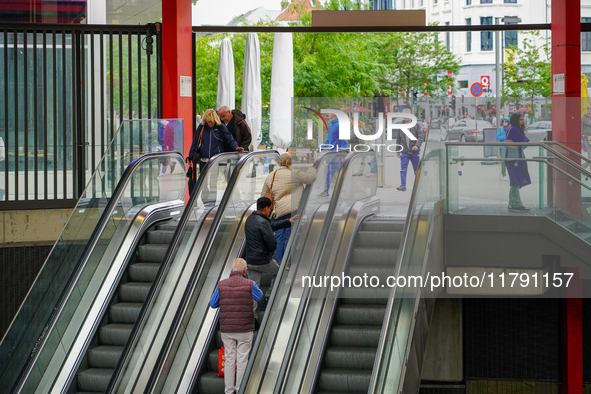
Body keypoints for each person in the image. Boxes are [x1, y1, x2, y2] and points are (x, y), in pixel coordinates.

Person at [209, 258, 263, 394]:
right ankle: (240, 390)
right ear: (245, 270)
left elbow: (213, 304)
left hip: (227, 329)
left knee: (229, 359)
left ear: (232, 269)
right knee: (242, 360)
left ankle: (228, 391)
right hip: (245, 329)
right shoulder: (250, 284)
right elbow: (260, 296)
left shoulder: (221, 285)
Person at [261, 153, 317, 264]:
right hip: (292, 211)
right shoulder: (295, 174)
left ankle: (279, 262)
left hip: (277, 212)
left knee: (279, 237)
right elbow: (311, 178)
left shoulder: (271, 176)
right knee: (289, 236)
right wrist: (312, 169)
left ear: (280, 163)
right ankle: (287, 261)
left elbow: (263, 195)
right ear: (290, 162)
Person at [245, 197, 298, 310]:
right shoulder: (263, 222)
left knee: (253, 290)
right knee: (281, 272)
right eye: (270, 208)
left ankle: (252, 316)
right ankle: (270, 296)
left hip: (250, 262)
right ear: (266, 208)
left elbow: (269, 227)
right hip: (263, 261)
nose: (271, 211)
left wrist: (288, 221)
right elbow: (272, 242)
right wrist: (269, 253)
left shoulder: (250, 219)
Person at [187, 109, 243, 204]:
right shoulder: (202, 127)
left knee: (213, 182)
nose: (210, 123)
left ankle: (211, 202)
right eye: (208, 121)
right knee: (203, 182)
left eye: (212, 121)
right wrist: (190, 155)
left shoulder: (220, 127)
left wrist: (236, 147)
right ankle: (206, 202)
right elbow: (195, 141)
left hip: (216, 160)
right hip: (204, 160)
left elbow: (229, 138)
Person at [505, 113, 531, 212]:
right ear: (515, 120)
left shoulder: (512, 129)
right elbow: (524, 142)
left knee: (514, 182)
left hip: (513, 159)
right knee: (515, 182)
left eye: (522, 119)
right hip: (514, 159)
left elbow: (524, 141)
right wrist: (525, 140)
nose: (522, 121)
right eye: (520, 119)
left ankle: (512, 204)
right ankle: (517, 204)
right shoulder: (514, 129)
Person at [318, 109, 348, 197]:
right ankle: (351, 189)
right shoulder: (331, 125)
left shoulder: (339, 125)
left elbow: (344, 140)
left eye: (330, 112)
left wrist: (344, 153)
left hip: (337, 154)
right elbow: (329, 140)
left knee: (330, 172)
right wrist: (321, 148)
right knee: (340, 173)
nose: (328, 114)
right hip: (333, 153)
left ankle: (326, 191)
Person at [396, 109, 424, 191]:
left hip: (414, 151)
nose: (405, 117)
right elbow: (398, 139)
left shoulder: (416, 125)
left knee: (416, 169)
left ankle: (418, 185)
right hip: (404, 151)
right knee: (403, 169)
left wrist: (417, 145)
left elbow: (421, 137)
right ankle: (403, 185)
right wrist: (397, 150)